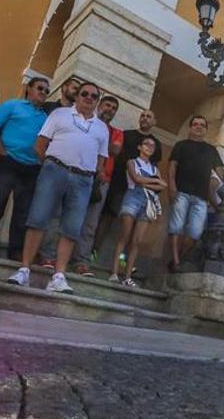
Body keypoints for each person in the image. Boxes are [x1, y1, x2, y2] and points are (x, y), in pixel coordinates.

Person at [6, 83, 108, 293]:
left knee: (72, 227)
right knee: (38, 218)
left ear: (97, 101)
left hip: (83, 179)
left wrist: (93, 172)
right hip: (55, 171)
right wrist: (51, 165)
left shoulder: (102, 128)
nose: (89, 98)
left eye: (94, 96)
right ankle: (24, 269)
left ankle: (59, 276)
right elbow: (40, 144)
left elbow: (101, 158)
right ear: (77, 96)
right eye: (84, 94)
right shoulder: (59, 115)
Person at [0, 77, 50, 260]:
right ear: (29, 88)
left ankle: (15, 250)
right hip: (6, 163)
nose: (44, 93)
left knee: (23, 211)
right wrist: (1, 151)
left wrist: (40, 161)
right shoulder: (12, 105)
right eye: (40, 88)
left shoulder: (46, 118)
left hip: (31, 168)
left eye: (47, 91)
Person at [98, 109, 163, 264]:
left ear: (154, 122)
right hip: (119, 182)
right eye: (143, 116)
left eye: (149, 116)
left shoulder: (157, 144)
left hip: (141, 191)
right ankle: (95, 251)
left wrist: (151, 186)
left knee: (135, 227)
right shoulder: (127, 135)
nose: (145, 118)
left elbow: (155, 169)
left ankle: (124, 261)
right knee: (107, 217)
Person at [71, 95, 123, 276]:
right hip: (78, 174)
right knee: (67, 215)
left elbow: (115, 150)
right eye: (107, 105)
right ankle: (52, 255)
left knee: (90, 223)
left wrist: (97, 137)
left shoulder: (117, 132)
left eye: (114, 108)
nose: (110, 109)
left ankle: (82, 261)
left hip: (101, 182)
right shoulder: (86, 122)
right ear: (99, 106)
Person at [166, 115, 222, 272]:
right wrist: (171, 187)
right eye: (195, 124)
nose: (199, 127)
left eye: (202, 125)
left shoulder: (211, 150)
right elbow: (172, 168)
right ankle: (177, 263)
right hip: (181, 192)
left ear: (206, 129)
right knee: (176, 227)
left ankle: (178, 257)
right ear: (190, 127)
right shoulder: (181, 145)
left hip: (201, 197)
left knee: (195, 232)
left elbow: (220, 172)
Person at [108, 137, 166, 287]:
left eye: (152, 146)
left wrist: (149, 182)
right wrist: (154, 181)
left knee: (137, 241)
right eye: (146, 144)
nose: (149, 147)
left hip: (147, 202)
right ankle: (114, 272)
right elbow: (136, 178)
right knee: (124, 236)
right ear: (140, 147)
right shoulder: (132, 162)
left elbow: (163, 185)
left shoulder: (155, 169)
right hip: (132, 198)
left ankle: (127, 276)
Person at [37, 77, 81, 265]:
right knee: (36, 211)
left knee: (55, 214)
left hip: (62, 171)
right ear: (64, 87)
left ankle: (46, 254)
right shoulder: (47, 108)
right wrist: (45, 161)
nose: (77, 92)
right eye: (75, 88)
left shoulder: (77, 117)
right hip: (43, 164)